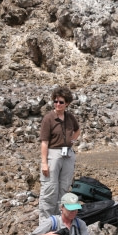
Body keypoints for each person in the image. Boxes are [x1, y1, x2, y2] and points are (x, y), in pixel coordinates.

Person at [39, 87, 81, 224]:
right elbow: (44, 142)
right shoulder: (48, 119)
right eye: (55, 101)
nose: (57, 104)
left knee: (64, 187)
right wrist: (44, 163)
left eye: (61, 102)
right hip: (53, 153)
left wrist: (71, 142)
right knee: (50, 188)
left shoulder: (69, 117)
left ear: (67, 103)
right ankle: (45, 222)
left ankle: (60, 219)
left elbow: (77, 130)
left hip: (67, 153)